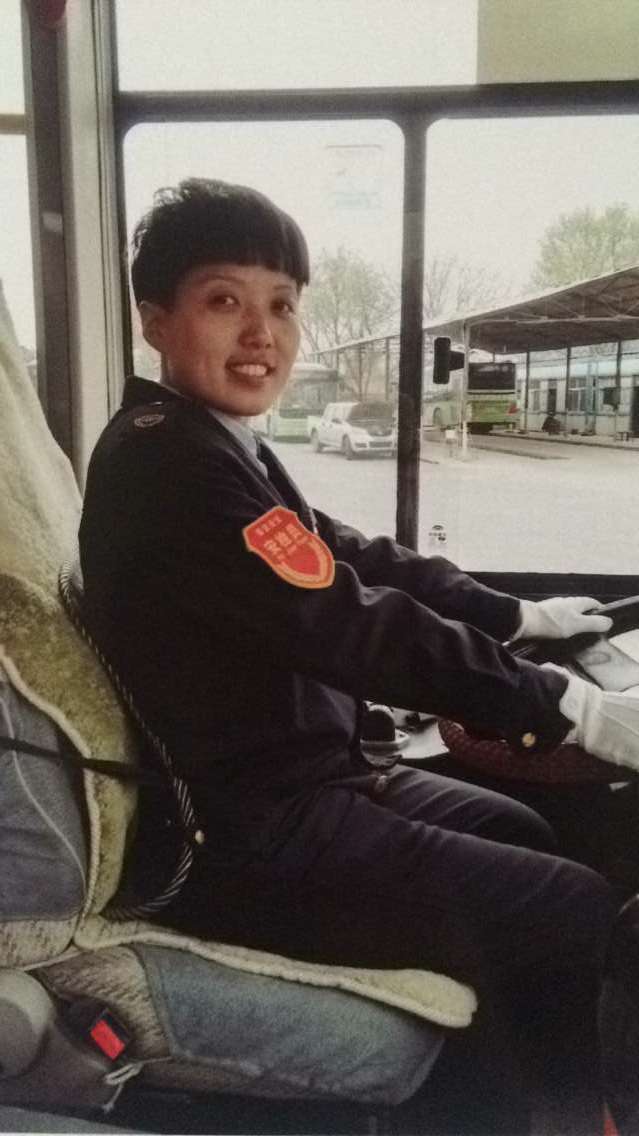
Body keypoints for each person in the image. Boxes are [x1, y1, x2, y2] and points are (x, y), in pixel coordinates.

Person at [79, 178, 639, 1133]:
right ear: (154, 319)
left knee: (525, 829)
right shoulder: (167, 467)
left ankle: (491, 1094)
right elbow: (350, 622)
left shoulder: (219, 448)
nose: (261, 334)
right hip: (247, 835)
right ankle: (559, 1118)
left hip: (309, 782)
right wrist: (564, 705)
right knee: (567, 908)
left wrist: (519, 617)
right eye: (224, 301)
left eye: (282, 306)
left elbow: (356, 558)